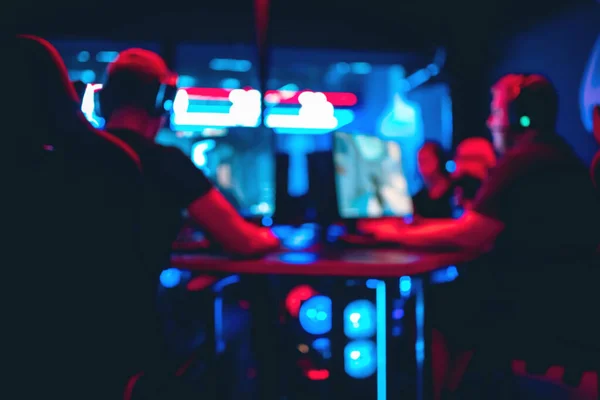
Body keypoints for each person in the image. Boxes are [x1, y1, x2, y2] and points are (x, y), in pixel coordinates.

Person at [363, 74, 600, 398]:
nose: (490, 122)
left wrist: (395, 234)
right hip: (563, 301)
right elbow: (480, 226)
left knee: (438, 305)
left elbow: (470, 233)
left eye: (497, 111)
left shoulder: (524, 160)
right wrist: (412, 230)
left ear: (520, 117)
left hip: (532, 308)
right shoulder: (554, 154)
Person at [98, 48, 280, 272]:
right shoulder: (167, 163)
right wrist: (273, 237)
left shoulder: (68, 154)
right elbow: (244, 242)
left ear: (103, 100)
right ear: (162, 100)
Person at [412, 141, 454, 219]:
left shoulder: (456, 192)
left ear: (439, 160)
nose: (422, 166)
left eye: (426, 160)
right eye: (420, 161)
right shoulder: (418, 198)